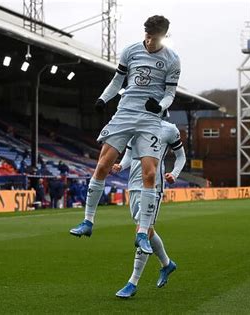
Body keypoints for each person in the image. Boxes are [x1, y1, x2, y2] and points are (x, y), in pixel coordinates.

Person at [70, 15, 181, 256]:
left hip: (150, 119)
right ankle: (88, 222)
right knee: (102, 166)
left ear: (164, 36)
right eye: (148, 36)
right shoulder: (130, 51)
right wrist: (103, 99)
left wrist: (159, 107)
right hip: (125, 113)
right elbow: (117, 80)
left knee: (150, 174)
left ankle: (142, 232)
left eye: (155, 37)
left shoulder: (172, 60)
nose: (150, 42)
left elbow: (170, 94)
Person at [111, 119, 186, 298]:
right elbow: (130, 154)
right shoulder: (135, 124)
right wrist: (121, 165)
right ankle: (167, 264)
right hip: (134, 185)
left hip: (153, 186)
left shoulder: (169, 129)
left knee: (142, 231)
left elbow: (181, 156)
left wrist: (174, 174)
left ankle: (132, 283)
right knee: (148, 231)